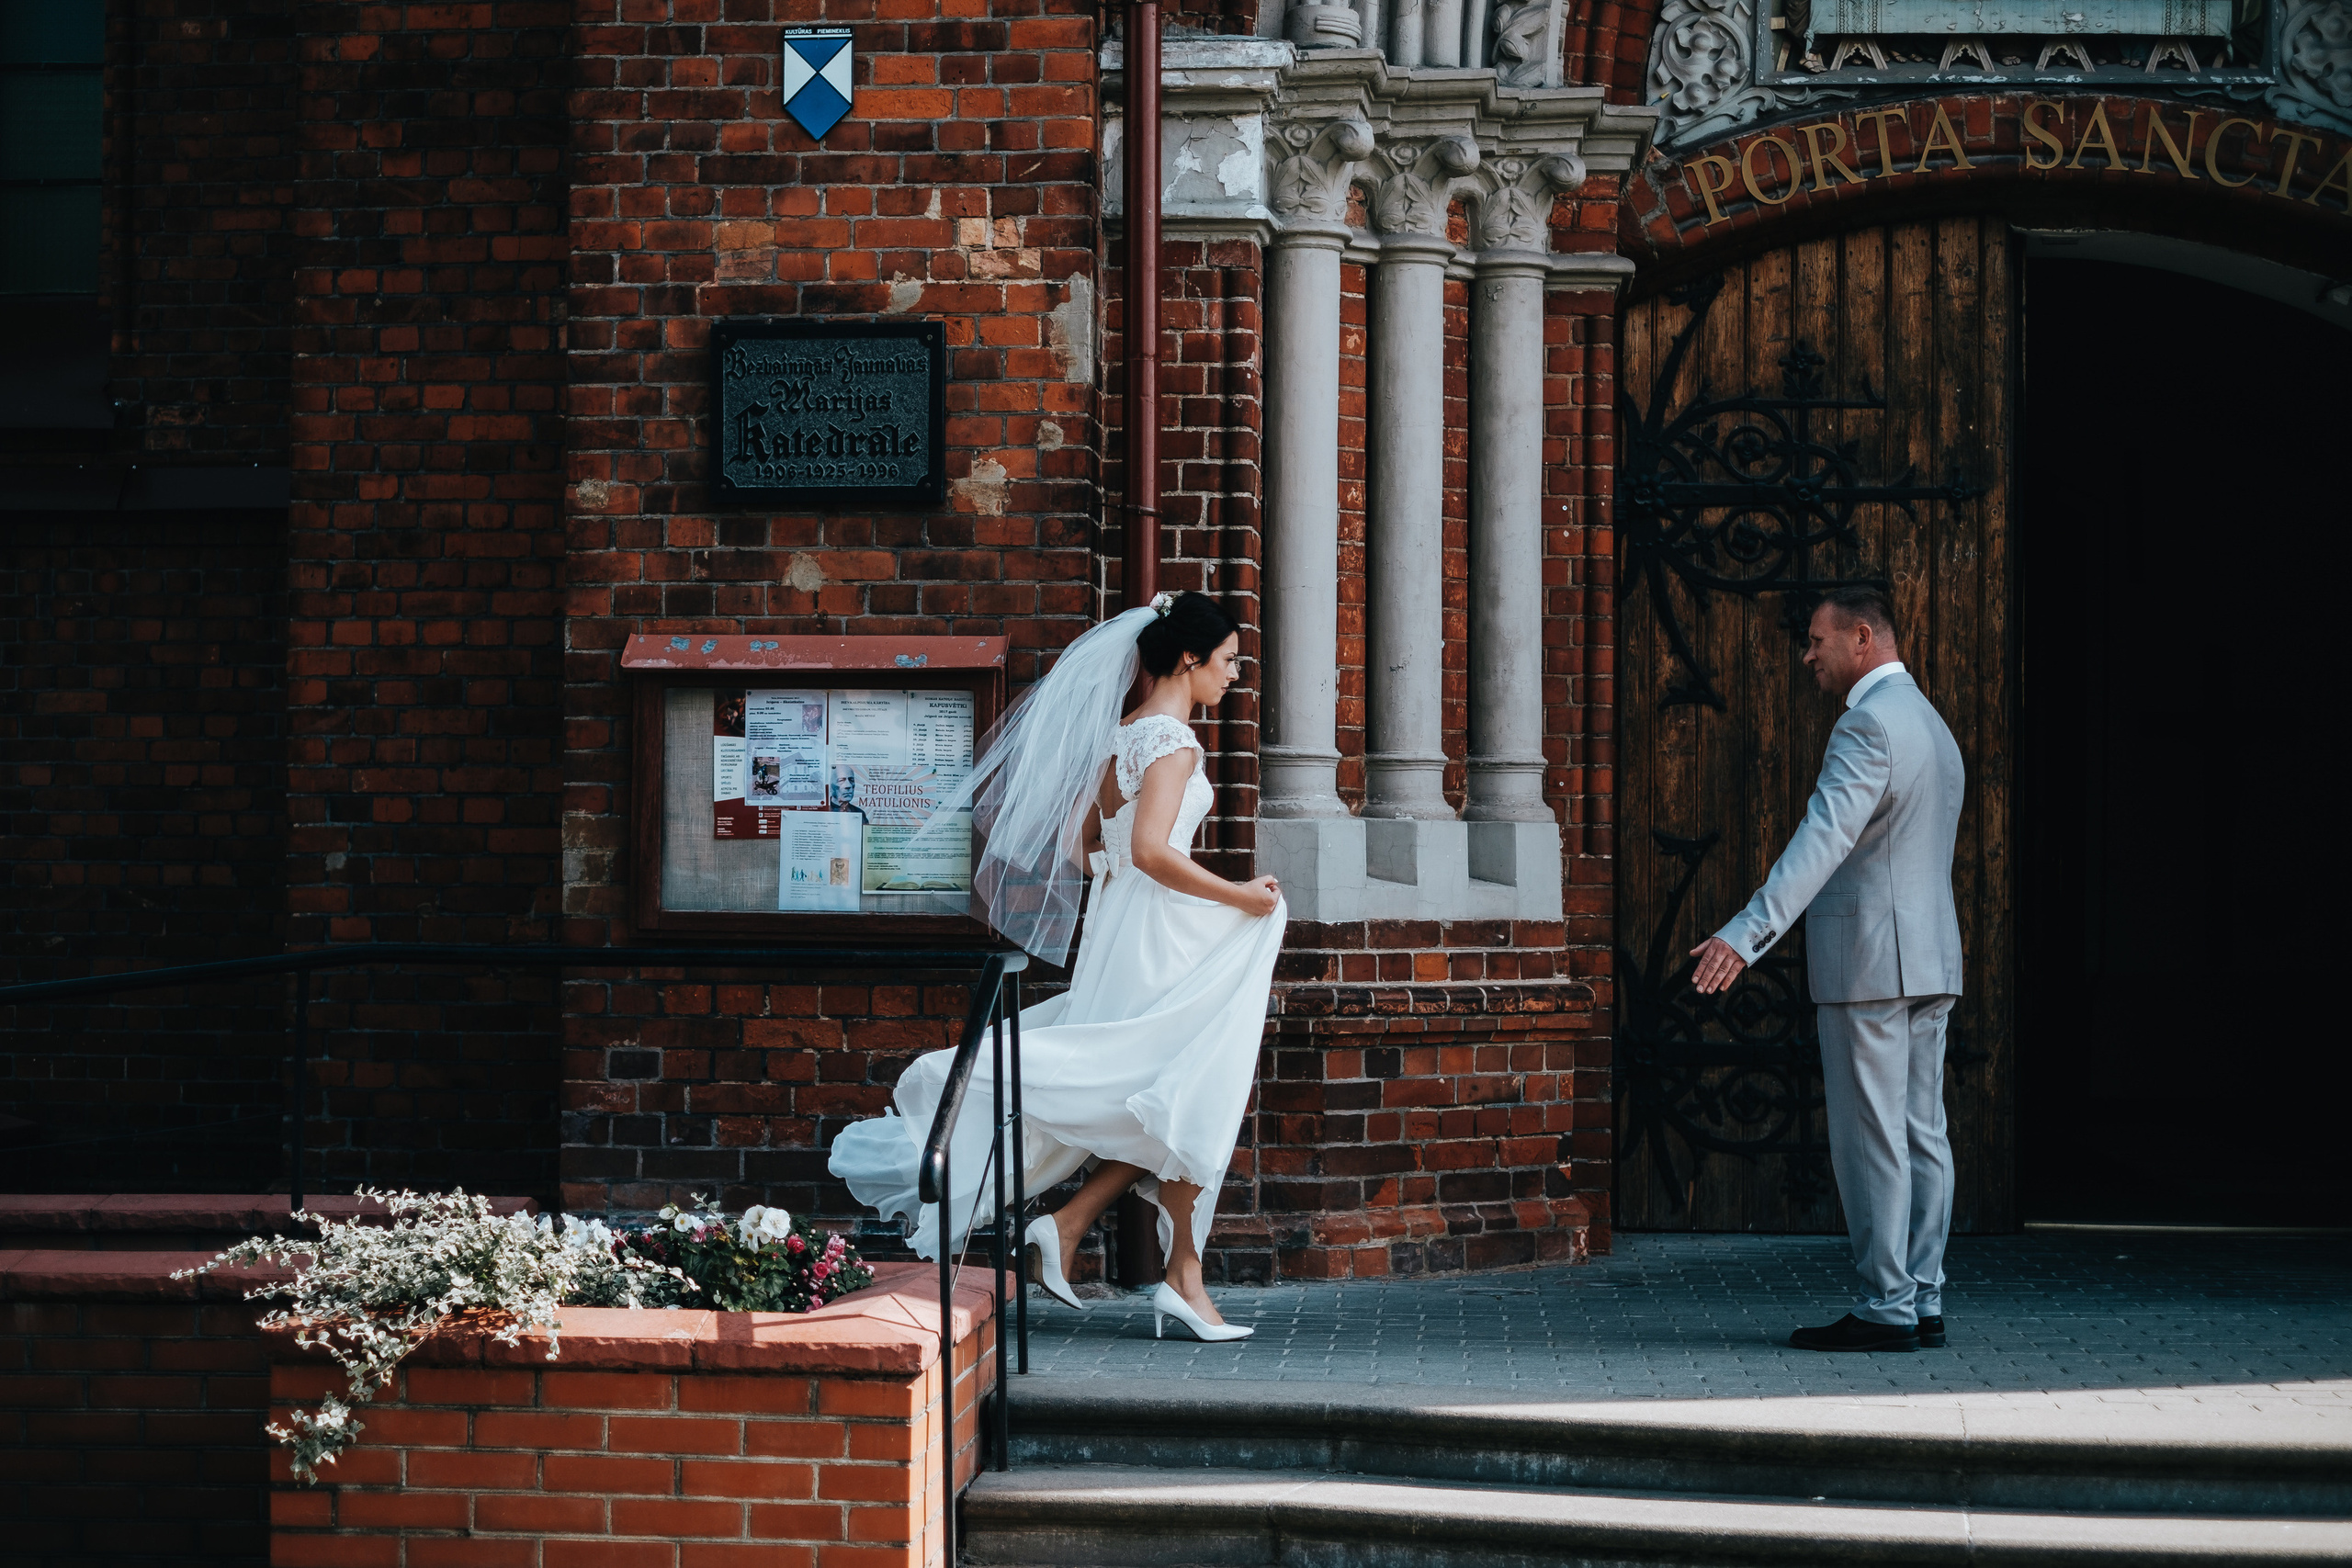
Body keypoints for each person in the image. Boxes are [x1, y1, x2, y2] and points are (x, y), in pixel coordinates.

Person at [828, 592, 1286, 1343]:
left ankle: (1104, 1243)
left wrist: (1131, 892)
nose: (1234, 676)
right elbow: (1150, 851)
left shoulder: (1121, 735)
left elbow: (1086, 849)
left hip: (1120, 928)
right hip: (1155, 934)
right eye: (1230, 660)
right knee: (1175, 1083)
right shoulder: (1173, 742)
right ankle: (1169, 1275)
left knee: (1164, 1091)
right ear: (1189, 658)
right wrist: (1237, 893)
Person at [1689, 586, 1965, 1354]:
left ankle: (1886, 1305)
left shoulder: (1867, 725)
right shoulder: (1933, 726)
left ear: (1864, 638)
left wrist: (1746, 935)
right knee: (1921, 1133)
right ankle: (1924, 1296)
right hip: (1931, 956)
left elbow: (1822, 840)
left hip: (1872, 961)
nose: (1807, 654)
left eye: (1817, 640)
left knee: (1872, 1138)